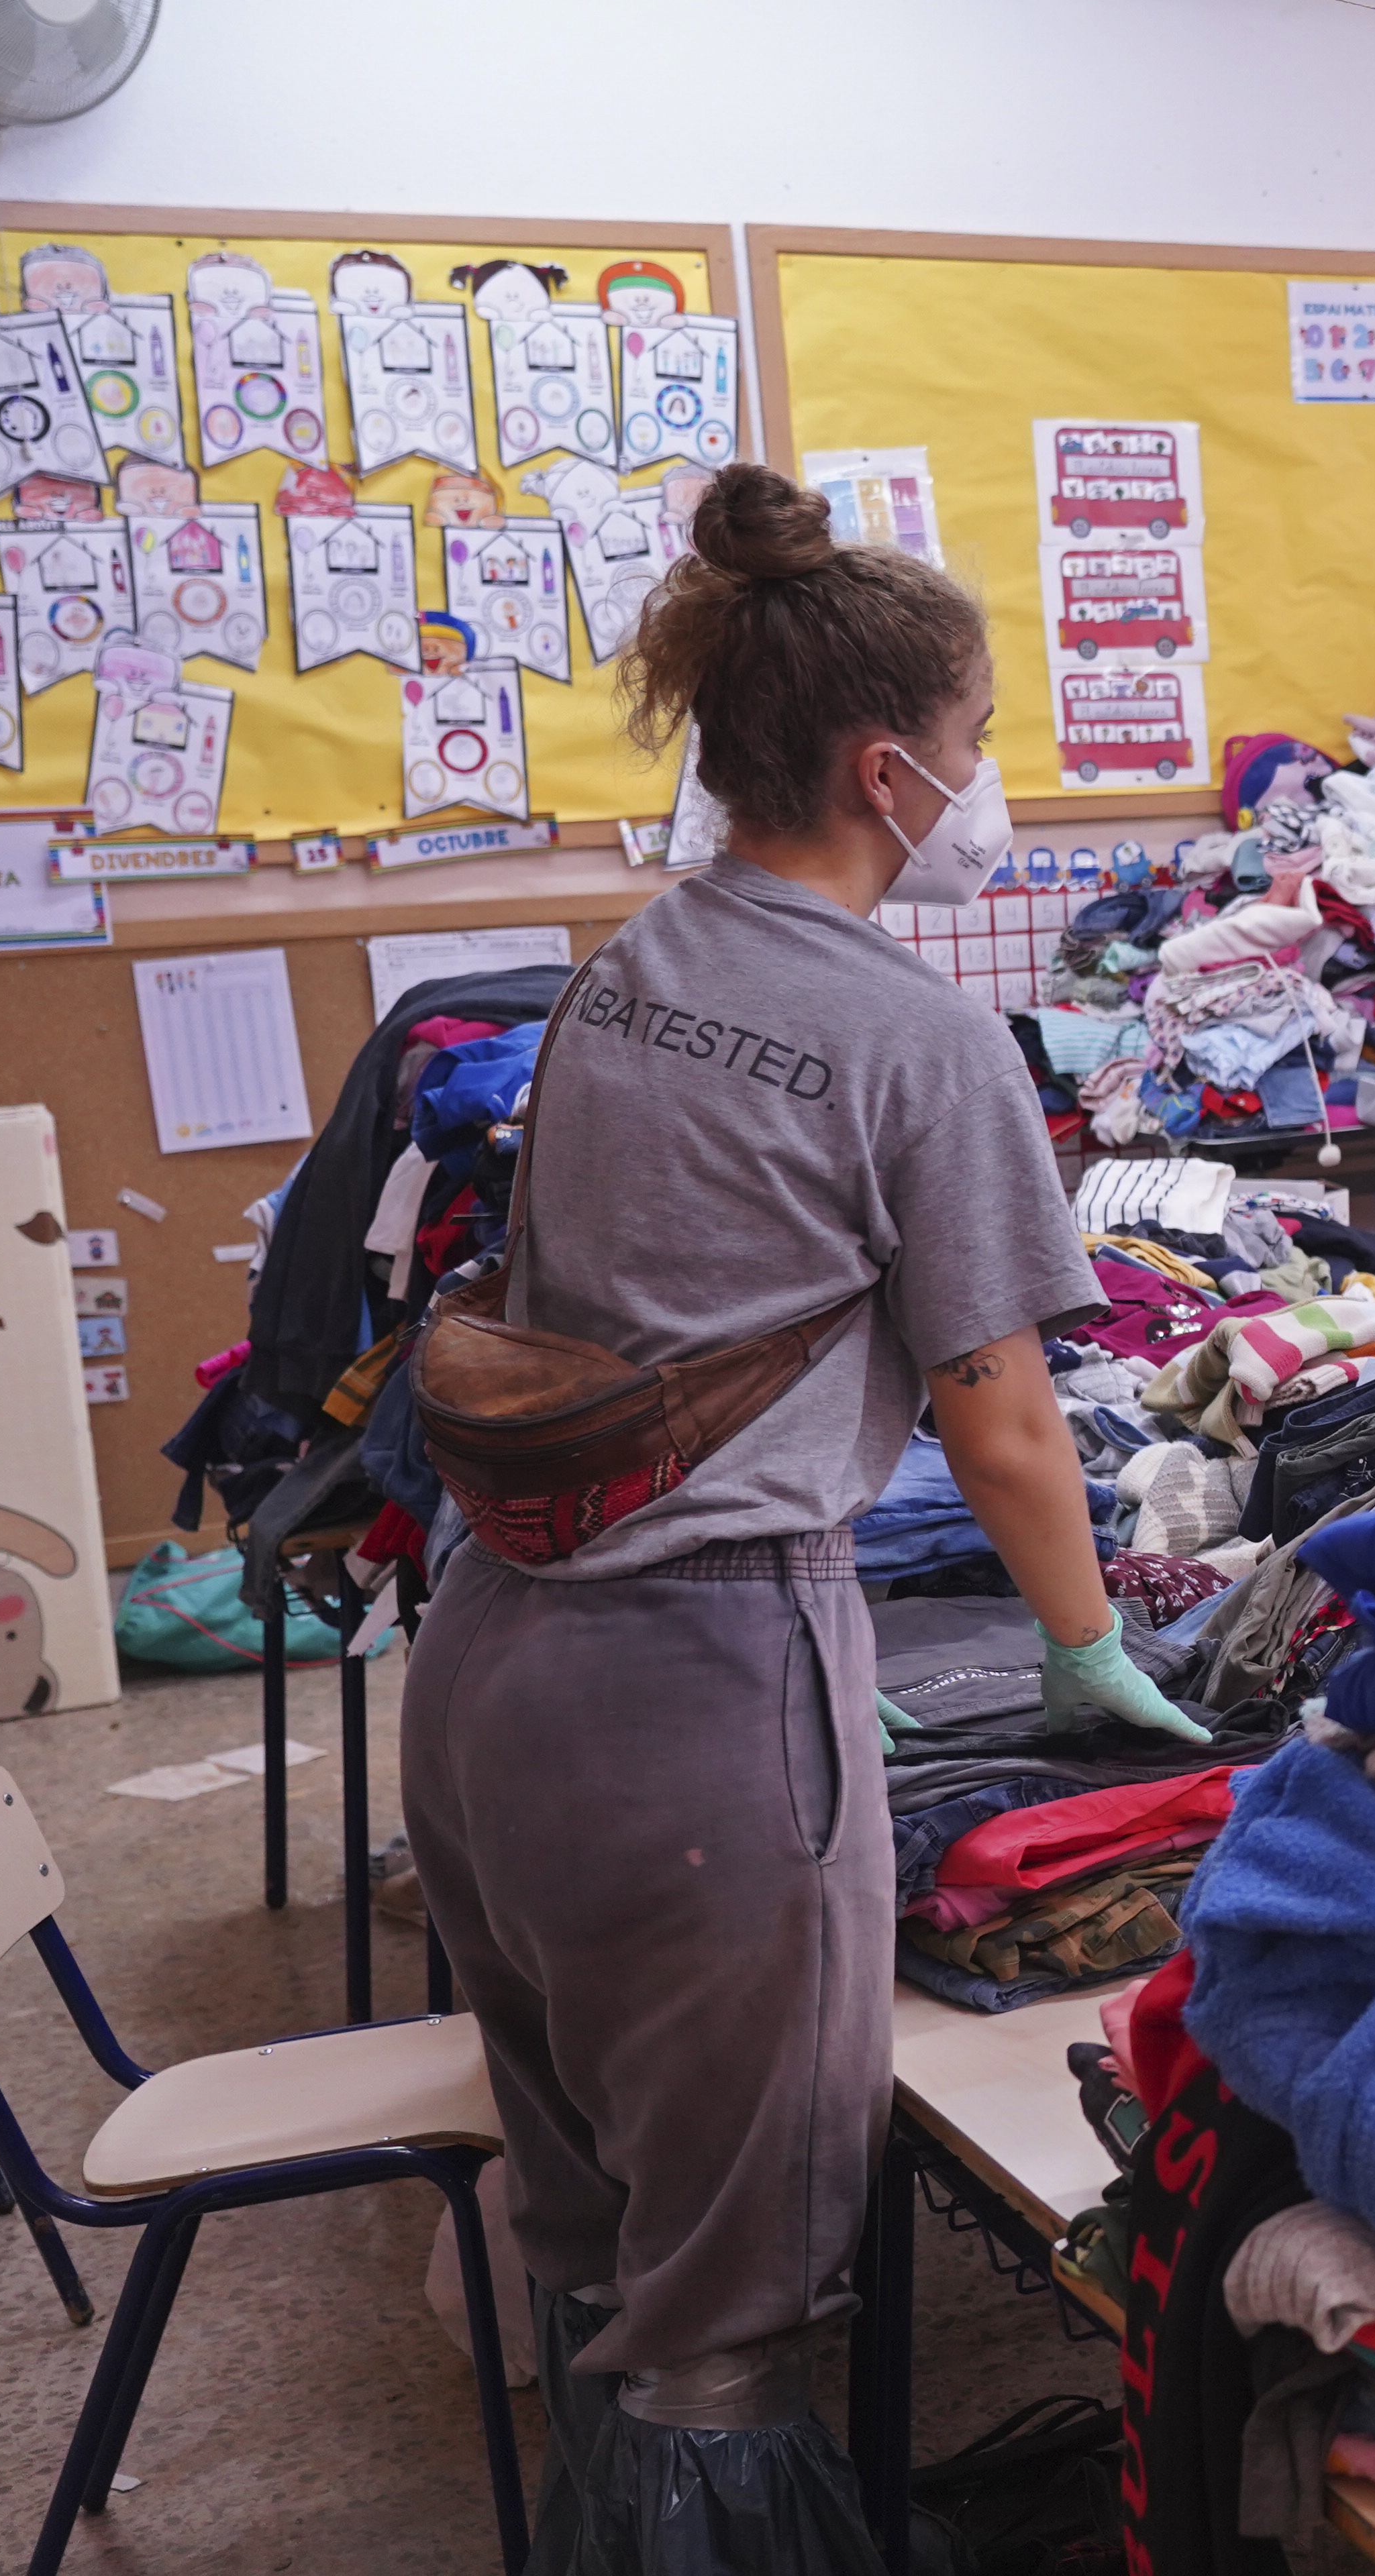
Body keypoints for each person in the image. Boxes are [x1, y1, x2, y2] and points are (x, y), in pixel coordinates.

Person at [399, 465, 1205, 2571]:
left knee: (596, 2241)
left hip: (490, 1668)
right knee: (726, 2327)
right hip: (703, 1695)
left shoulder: (623, 968)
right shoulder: (915, 1035)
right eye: (981, 738)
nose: (988, 776)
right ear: (886, 766)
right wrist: (1088, 1648)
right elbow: (1006, 1419)